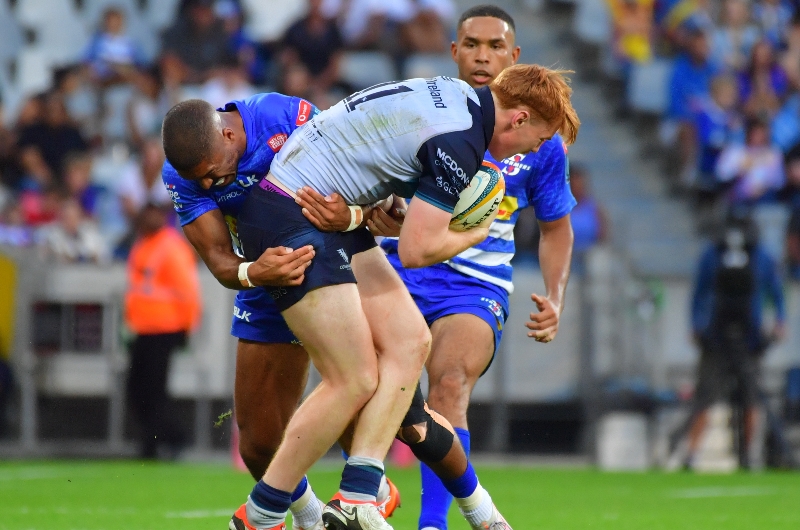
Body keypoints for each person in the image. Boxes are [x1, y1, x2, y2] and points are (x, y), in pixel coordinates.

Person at [222, 61, 579, 529]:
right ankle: (261, 514)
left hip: (316, 208)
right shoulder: (462, 141)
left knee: (411, 341)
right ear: (520, 118)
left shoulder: (454, 96)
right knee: (353, 379)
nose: (535, 148)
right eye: (539, 137)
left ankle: (357, 495)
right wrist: (473, 234)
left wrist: (380, 206)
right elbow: (415, 251)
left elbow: (380, 156)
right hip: (292, 215)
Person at [374, 7, 576, 530]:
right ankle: (368, 493)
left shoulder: (542, 143)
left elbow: (556, 227)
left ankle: (432, 524)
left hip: (474, 283)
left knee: (449, 381)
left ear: (515, 56)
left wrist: (555, 296)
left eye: (495, 45)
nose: (483, 55)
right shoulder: (427, 109)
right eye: (471, 44)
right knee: (367, 383)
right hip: (398, 266)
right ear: (454, 52)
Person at [674, 208, 786, 469]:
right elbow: (700, 292)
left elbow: (776, 293)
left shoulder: (760, 257)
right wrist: (697, 325)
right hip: (717, 335)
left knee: (751, 398)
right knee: (706, 398)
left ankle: (747, 454)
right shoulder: (714, 255)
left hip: (749, 336)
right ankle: (692, 454)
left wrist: (779, 321)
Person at [124, 203, 201, 458]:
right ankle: (158, 439)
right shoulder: (145, 244)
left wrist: (186, 328)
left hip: (165, 328)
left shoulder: (169, 247)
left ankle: (165, 440)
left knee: (152, 390)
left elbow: (187, 290)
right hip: (144, 328)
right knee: (139, 389)